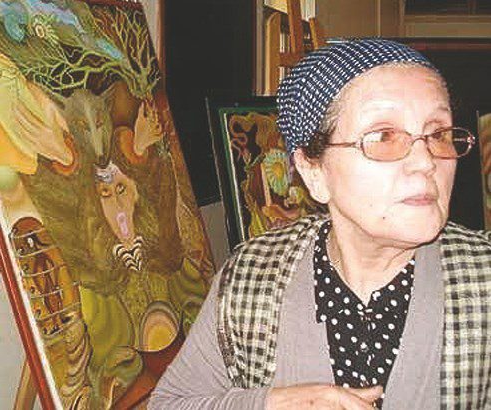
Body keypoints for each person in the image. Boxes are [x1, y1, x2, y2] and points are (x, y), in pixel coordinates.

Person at [149, 39, 491, 409]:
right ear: (313, 171)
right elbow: (168, 404)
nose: (427, 161)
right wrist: (266, 405)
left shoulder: (482, 282)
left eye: (438, 134)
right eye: (384, 136)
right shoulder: (253, 276)